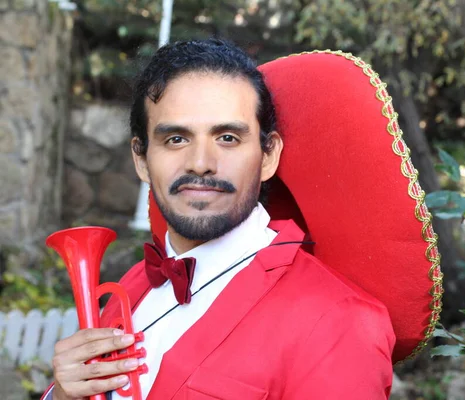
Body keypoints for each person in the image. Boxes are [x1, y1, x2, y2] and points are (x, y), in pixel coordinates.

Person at [43, 39, 397, 400]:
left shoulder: (340, 321)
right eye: (176, 139)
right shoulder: (133, 285)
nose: (200, 162)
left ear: (268, 156)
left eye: (227, 138)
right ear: (141, 160)